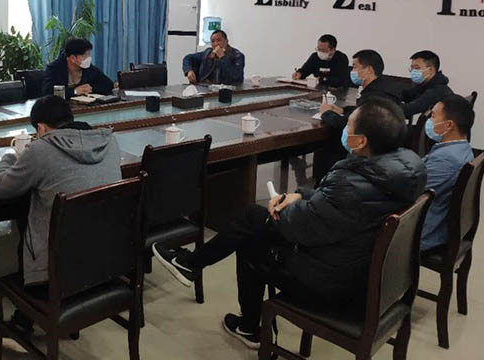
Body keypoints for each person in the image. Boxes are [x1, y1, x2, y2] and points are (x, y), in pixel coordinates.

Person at [153, 97, 426, 349]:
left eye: (349, 124)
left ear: (360, 141)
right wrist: (300, 195)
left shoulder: (350, 185)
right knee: (254, 221)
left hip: (333, 287)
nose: (344, 127)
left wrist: (285, 206)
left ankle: (242, 318)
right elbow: (335, 208)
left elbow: (297, 227)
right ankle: (193, 266)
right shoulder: (402, 172)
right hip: (363, 275)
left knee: (252, 235)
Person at [0, 95, 122, 343]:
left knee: (29, 219)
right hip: (107, 263)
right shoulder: (109, 142)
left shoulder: (41, 149)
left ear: (41, 129)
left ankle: (21, 325)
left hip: (57, 273)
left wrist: (10, 156)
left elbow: (1, 189)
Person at [313, 49, 401, 183]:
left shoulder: (375, 95)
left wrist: (326, 113)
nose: (352, 71)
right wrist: (341, 109)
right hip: (380, 146)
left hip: (366, 148)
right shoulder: (383, 87)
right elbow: (361, 110)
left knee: (328, 143)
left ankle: (325, 183)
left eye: (355, 67)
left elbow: (344, 123)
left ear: (369, 70)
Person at [421, 94, 475, 252]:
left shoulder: (446, 159)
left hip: (423, 233)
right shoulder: (461, 147)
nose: (429, 121)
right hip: (436, 221)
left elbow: (412, 192)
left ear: (449, 125)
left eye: (433, 116)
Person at [41, 37, 114, 98]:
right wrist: (74, 91)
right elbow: (48, 93)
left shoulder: (88, 68)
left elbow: (108, 85)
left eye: (88, 55)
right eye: (85, 56)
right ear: (73, 58)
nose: (88, 58)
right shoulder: (54, 68)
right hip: (59, 107)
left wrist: (90, 89)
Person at [401, 50, 452, 119]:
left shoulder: (438, 90)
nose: (413, 72)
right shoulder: (424, 86)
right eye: (412, 68)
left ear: (430, 70)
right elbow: (407, 95)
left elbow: (409, 109)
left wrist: (387, 106)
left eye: (417, 68)